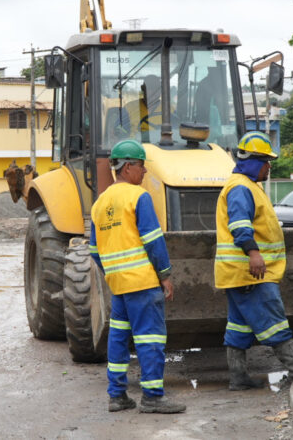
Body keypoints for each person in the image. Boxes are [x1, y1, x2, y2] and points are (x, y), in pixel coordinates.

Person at [215, 131, 293, 390]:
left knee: (240, 326)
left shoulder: (246, 187)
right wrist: (254, 254)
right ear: (253, 161)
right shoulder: (240, 188)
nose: (269, 167)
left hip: (238, 273)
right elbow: (240, 225)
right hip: (251, 272)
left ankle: (237, 378)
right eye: (266, 161)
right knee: (274, 321)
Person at [89, 139, 185, 414]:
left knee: (118, 338)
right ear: (128, 167)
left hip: (118, 287)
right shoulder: (138, 197)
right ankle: (153, 397)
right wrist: (165, 274)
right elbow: (154, 241)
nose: (144, 172)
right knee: (150, 338)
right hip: (143, 283)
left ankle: (117, 396)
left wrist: (115, 272)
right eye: (142, 166)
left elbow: (95, 251)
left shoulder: (99, 204)